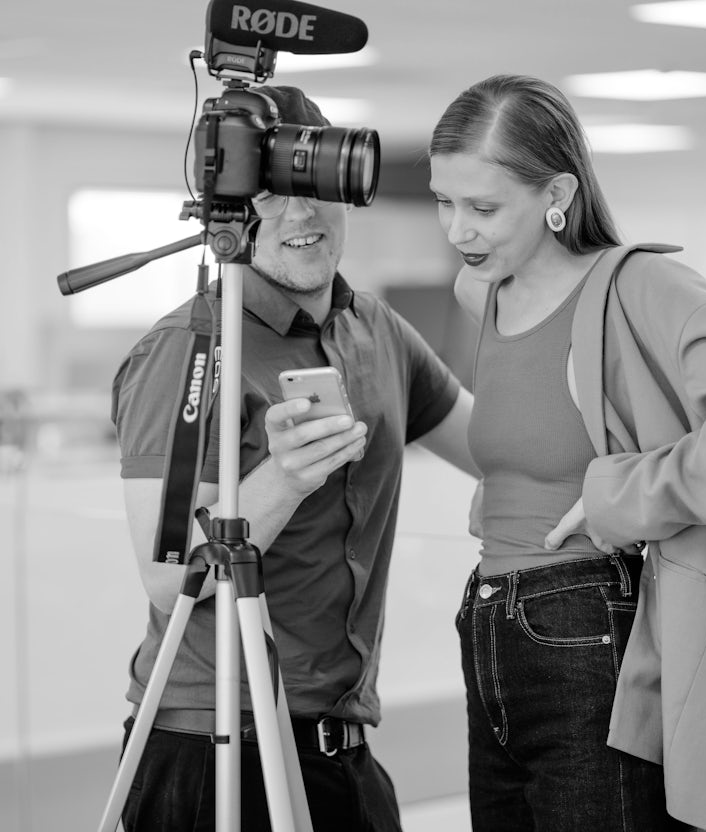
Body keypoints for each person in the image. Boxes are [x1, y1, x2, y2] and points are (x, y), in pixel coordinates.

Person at [428, 74, 706, 832]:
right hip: (488, 627)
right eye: (444, 203)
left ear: (559, 193)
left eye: (482, 208)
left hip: (583, 628)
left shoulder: (639, 286)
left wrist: (625, 493)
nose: (457, 231)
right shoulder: (483, 293)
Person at [111, 85, 477, 832]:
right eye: (273, 195)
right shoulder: (187, 351)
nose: (303, 217)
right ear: (232, 211)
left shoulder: (376, 329)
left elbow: (494, 448)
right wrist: (283, 476)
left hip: (340, 746)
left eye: (314, 189)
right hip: (211, 741)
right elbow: (165, 575)